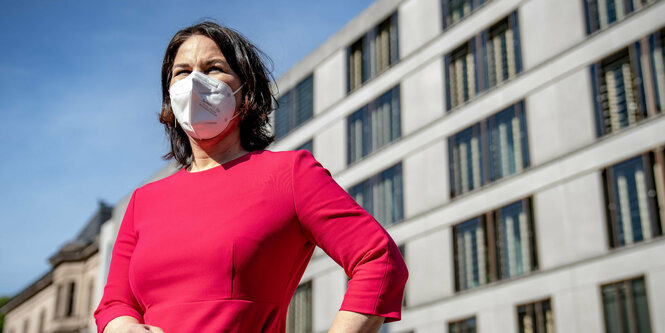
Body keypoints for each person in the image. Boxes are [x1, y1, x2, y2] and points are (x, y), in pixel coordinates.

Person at [94, 21, 408, 333]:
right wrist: (123, 327)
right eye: (182, 72)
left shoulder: (290, 174)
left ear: (247, 90)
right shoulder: (143, 201)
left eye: (213, 67)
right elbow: (115, 303)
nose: (194, 82)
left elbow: (379, 259)